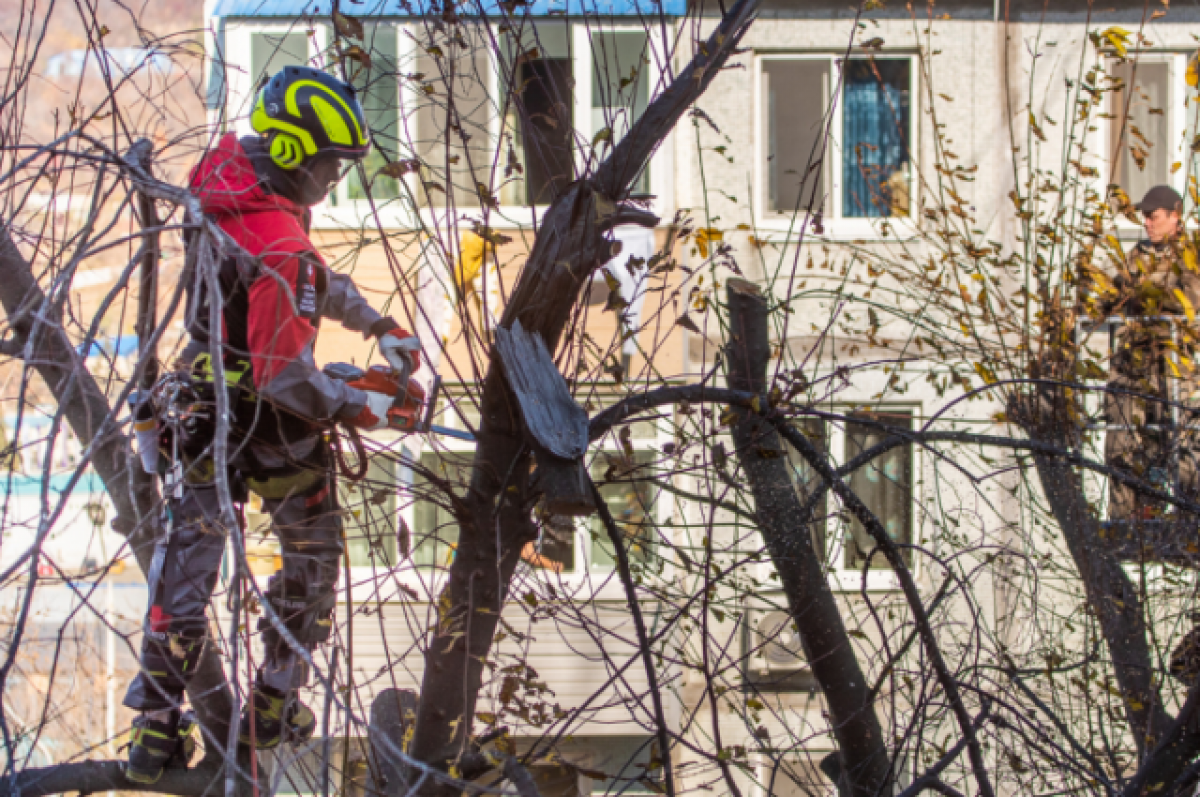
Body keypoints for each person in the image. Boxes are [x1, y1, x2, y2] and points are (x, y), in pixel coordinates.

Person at [123, 66, 422, 783]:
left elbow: (302, 275)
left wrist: (374, 321)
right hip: (273, 422)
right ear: (294, 154)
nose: (334, 180)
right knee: (314, 558)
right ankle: (275, 699)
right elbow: (286, 374)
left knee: (183, 577)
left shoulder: (224, 181)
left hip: (200, 406)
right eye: (329, 165)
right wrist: (361, 402)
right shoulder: (284, 238)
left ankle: (154, 730)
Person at [1099, 184, 1200, 527]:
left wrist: (1146, 295)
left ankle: (1186, 518)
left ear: (1175, 216)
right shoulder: (1137, 255)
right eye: (1143, 217)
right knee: (1123, 438)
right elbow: (1113, 295)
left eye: (1153, 217)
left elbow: (1188, 301)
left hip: (1173, 362)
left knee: (1179, 440)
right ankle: (1127, 517)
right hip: (1135, 360)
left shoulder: (1190, 253)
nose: (1147, 224)